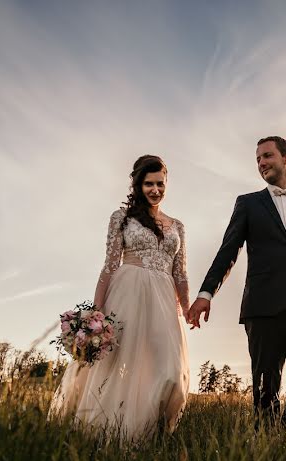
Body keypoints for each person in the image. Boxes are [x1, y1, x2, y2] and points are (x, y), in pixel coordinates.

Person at [188, 136, 286, 426]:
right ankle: (268, 445)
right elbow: (227, 252)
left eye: (267, 156)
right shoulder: (248, 204)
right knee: (265, 385)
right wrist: (206, 293)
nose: (261, 163)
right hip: (262, 305)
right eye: (258, 159)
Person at [53, 155, 190, 441]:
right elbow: (109, 265)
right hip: (127, 293)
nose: (155, 190)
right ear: (138, 185)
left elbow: (181, 273)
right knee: (114, 365)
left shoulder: (177, 225)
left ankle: (156, 431)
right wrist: (97, 312)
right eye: (148, 184)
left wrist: (187, 307)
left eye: (160, 184)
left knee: (171, 372)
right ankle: (108, 432)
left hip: (165, 301)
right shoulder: (122, 218)